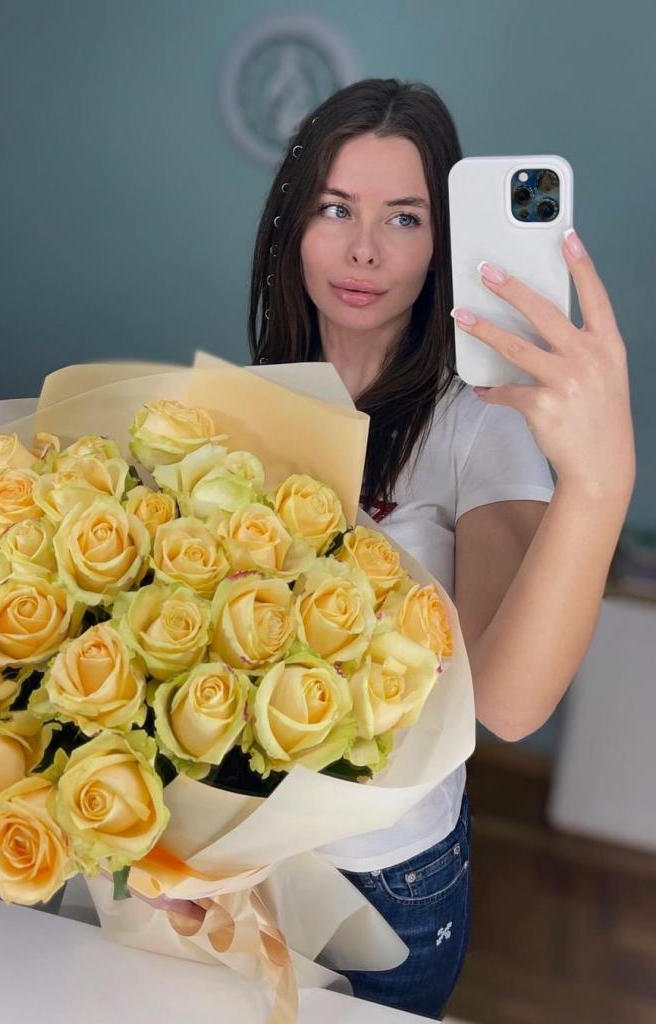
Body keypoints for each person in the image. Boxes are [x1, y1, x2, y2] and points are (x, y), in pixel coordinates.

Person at [247, 77, 636, 1019]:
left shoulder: (478, 425)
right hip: (244, 852)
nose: (364, 249)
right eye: (335, 208)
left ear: (443, 243)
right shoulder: (254, 400)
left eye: (404, 218)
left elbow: (507, 702)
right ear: (291, 226)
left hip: (382, 880)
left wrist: (599, 481)